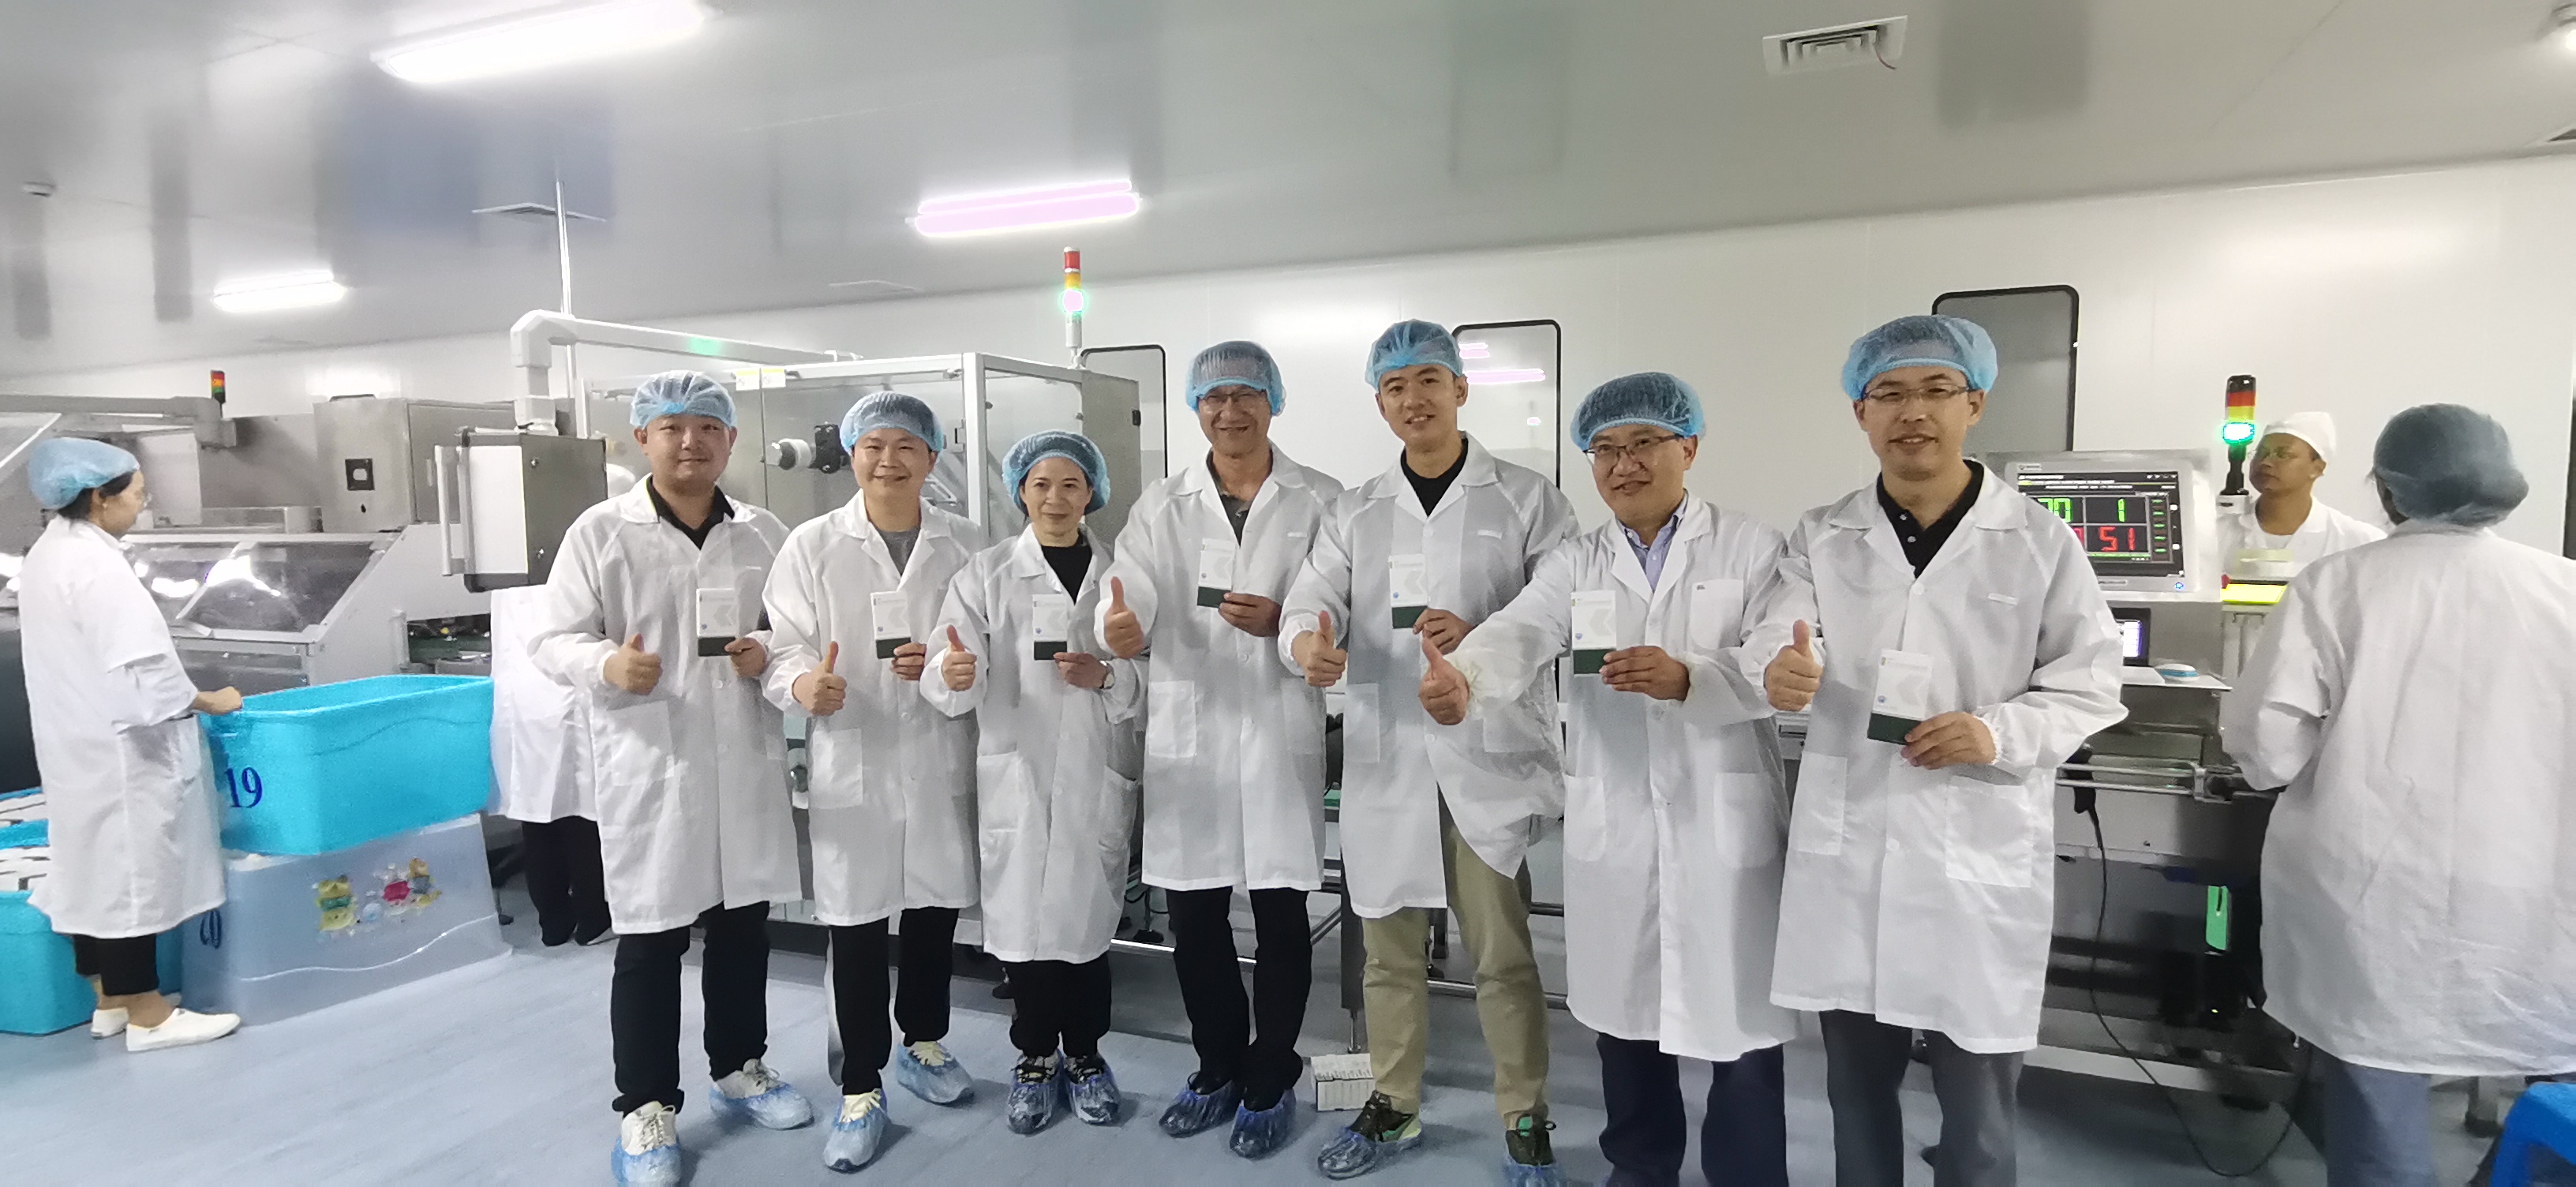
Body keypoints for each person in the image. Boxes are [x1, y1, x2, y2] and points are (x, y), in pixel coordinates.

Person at [1762, 316, 2126, 1187]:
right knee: (1855, 1093)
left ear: (1976, 404)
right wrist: (1780, 666)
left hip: (1975, 857)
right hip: (1854, 852)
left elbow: (2090, 684)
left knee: (1980, 1113)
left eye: (1935, 390)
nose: (1912, 412)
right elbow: (1782, 630)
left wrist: (1995, 732)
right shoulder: (1822, 534)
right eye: (1888, 394)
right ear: (1860, 413)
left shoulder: (2038, 540)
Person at [1421, 373, 1802, 1187]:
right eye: (1605, 450)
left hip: (1720, 824)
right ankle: (1640, 1170)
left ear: (1687, 447)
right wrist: (1464, 678)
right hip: (1619, 820)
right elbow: (1521, 629)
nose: (1624, 464)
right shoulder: (1578, 561)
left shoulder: (1752, 546)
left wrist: (1692, 677)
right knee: (1626, 1028)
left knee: (1739, 1034)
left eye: (1643, 444)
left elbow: (1781, 651)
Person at [2222, 403, 2576, 1187]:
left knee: (2378, 1081)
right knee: (2552, 1098)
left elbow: (2266, 750)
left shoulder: (2337, 586)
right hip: (2533, 890)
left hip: (2376, 895)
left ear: (2387, 488)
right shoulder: (2566, 588)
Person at [1282, 320, 1574, 1182]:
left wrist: (1479, 642)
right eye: (1395, 387)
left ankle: (1524, 1116)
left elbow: (1559, 603)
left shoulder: (1526, 497)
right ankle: (1394, 1102)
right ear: (1380, 403)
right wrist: (1306, 642)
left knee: (1502, 955)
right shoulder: (1356, 508)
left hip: (1487, 755)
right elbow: (1311, 596)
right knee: (1388, 953)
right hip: (1389, 759)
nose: (1413, 400)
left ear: (1460, 389)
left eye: (1429, 381)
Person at [530, 370, 811, 1187]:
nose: (691, 442)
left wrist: (768, 652)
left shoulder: (762, 532)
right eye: (673, 427)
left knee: (742, 925)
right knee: (651, 939)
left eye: (708, 428)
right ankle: (647, 1105)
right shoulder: (600, 532)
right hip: (651, 761)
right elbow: (551, 638)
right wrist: (606, 664)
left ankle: (740, 1067)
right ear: (642, 438)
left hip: (743, 757)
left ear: (731, 440)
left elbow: (793, 631)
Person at [1098, 339, 1344, 1158]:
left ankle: (1271, 1070)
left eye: (1246, 394)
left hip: (1277, 725)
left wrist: (1288, 625)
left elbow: (1333, 596)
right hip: (1191, 730)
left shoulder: (1320, 499)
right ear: (1195, 409)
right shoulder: (1161, 505)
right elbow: (1126, 592)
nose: (1230, 410)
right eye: (1214, 397)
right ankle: (1216, 1066)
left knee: (1280, 911)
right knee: (1195, 915)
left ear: (1273, 401)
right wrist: (1120, 628)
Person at [762, 394, 987, 1171]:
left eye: (906, 446)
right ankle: (861, 1085)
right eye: (874, 446)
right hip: (851, 750)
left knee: (931, 912)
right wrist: (802, 685)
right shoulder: (813, 544)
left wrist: (954, 667)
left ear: (932, 458)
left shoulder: (967, 543)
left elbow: (987, 639)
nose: (889, 460)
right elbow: (784, 642)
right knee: (855, 926)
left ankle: (924, 1042)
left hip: (936, 748)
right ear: (853, 454)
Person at [923, 431, 1143, 1138]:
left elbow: (1155, 672)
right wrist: (956, 674)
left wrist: (1108, 676)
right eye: (1041, 485)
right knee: (1023, 934)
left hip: (1093, 769)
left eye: (1071, 484)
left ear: (1092, 493)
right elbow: (949, 664)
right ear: (1020, 491)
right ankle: (1036, 1059)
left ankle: (1085, 1056)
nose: (1055, 498)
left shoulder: (1121, 573)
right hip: (1015, 769)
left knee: (1087, 928)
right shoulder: (986, 574)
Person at [19, 437, 244, 1053]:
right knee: (130, 876)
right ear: (99, 497)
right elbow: (143, 668)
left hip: (75, 741)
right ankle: (150, 1015)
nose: (142, 507)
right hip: (121, 746)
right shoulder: (97, 567)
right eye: (138, 495)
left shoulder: (50, 552)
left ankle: (110, 1000)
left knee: (90, 867)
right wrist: (210, 700)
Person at [489, 464, 637, 950]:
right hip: (570, 696)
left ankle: (553, 923)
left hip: (522, 701)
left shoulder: (506, 552)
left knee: (538, 817)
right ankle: (593, 920)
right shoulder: (588, 548)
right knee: (582, 817)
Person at [2218, 412, 2384, 578]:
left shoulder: (2360, 543)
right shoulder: (2216, 534)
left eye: (2283, 455)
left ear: (2317, 468)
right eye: (2261, 453)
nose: (2265, 462)